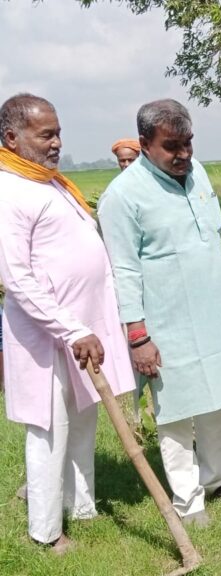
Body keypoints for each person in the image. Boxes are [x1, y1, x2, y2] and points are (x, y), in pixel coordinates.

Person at [98, 99, 221, 527]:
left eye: (188, 142)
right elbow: (124, 271)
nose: (183, 153)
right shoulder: (123, 197)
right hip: (164, 325)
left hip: (211, 315)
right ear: (145, 143)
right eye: (172, 146)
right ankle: (189, 502)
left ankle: (217, 480)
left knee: (214, 400)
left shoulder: (196, 172)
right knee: (174, 410)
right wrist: (138, 336)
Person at [0, 93, 135, 552]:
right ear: (13, 139)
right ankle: (46, 532)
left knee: (83, 420)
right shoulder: (10, 190)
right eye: (46, 134)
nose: (57, 142)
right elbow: (17, 278)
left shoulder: (51, 183)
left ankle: (82, 508)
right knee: (49, 430)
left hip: (82, 330)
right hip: (46, 336)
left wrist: (93, 322)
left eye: (58, 132)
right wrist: (70, 328)